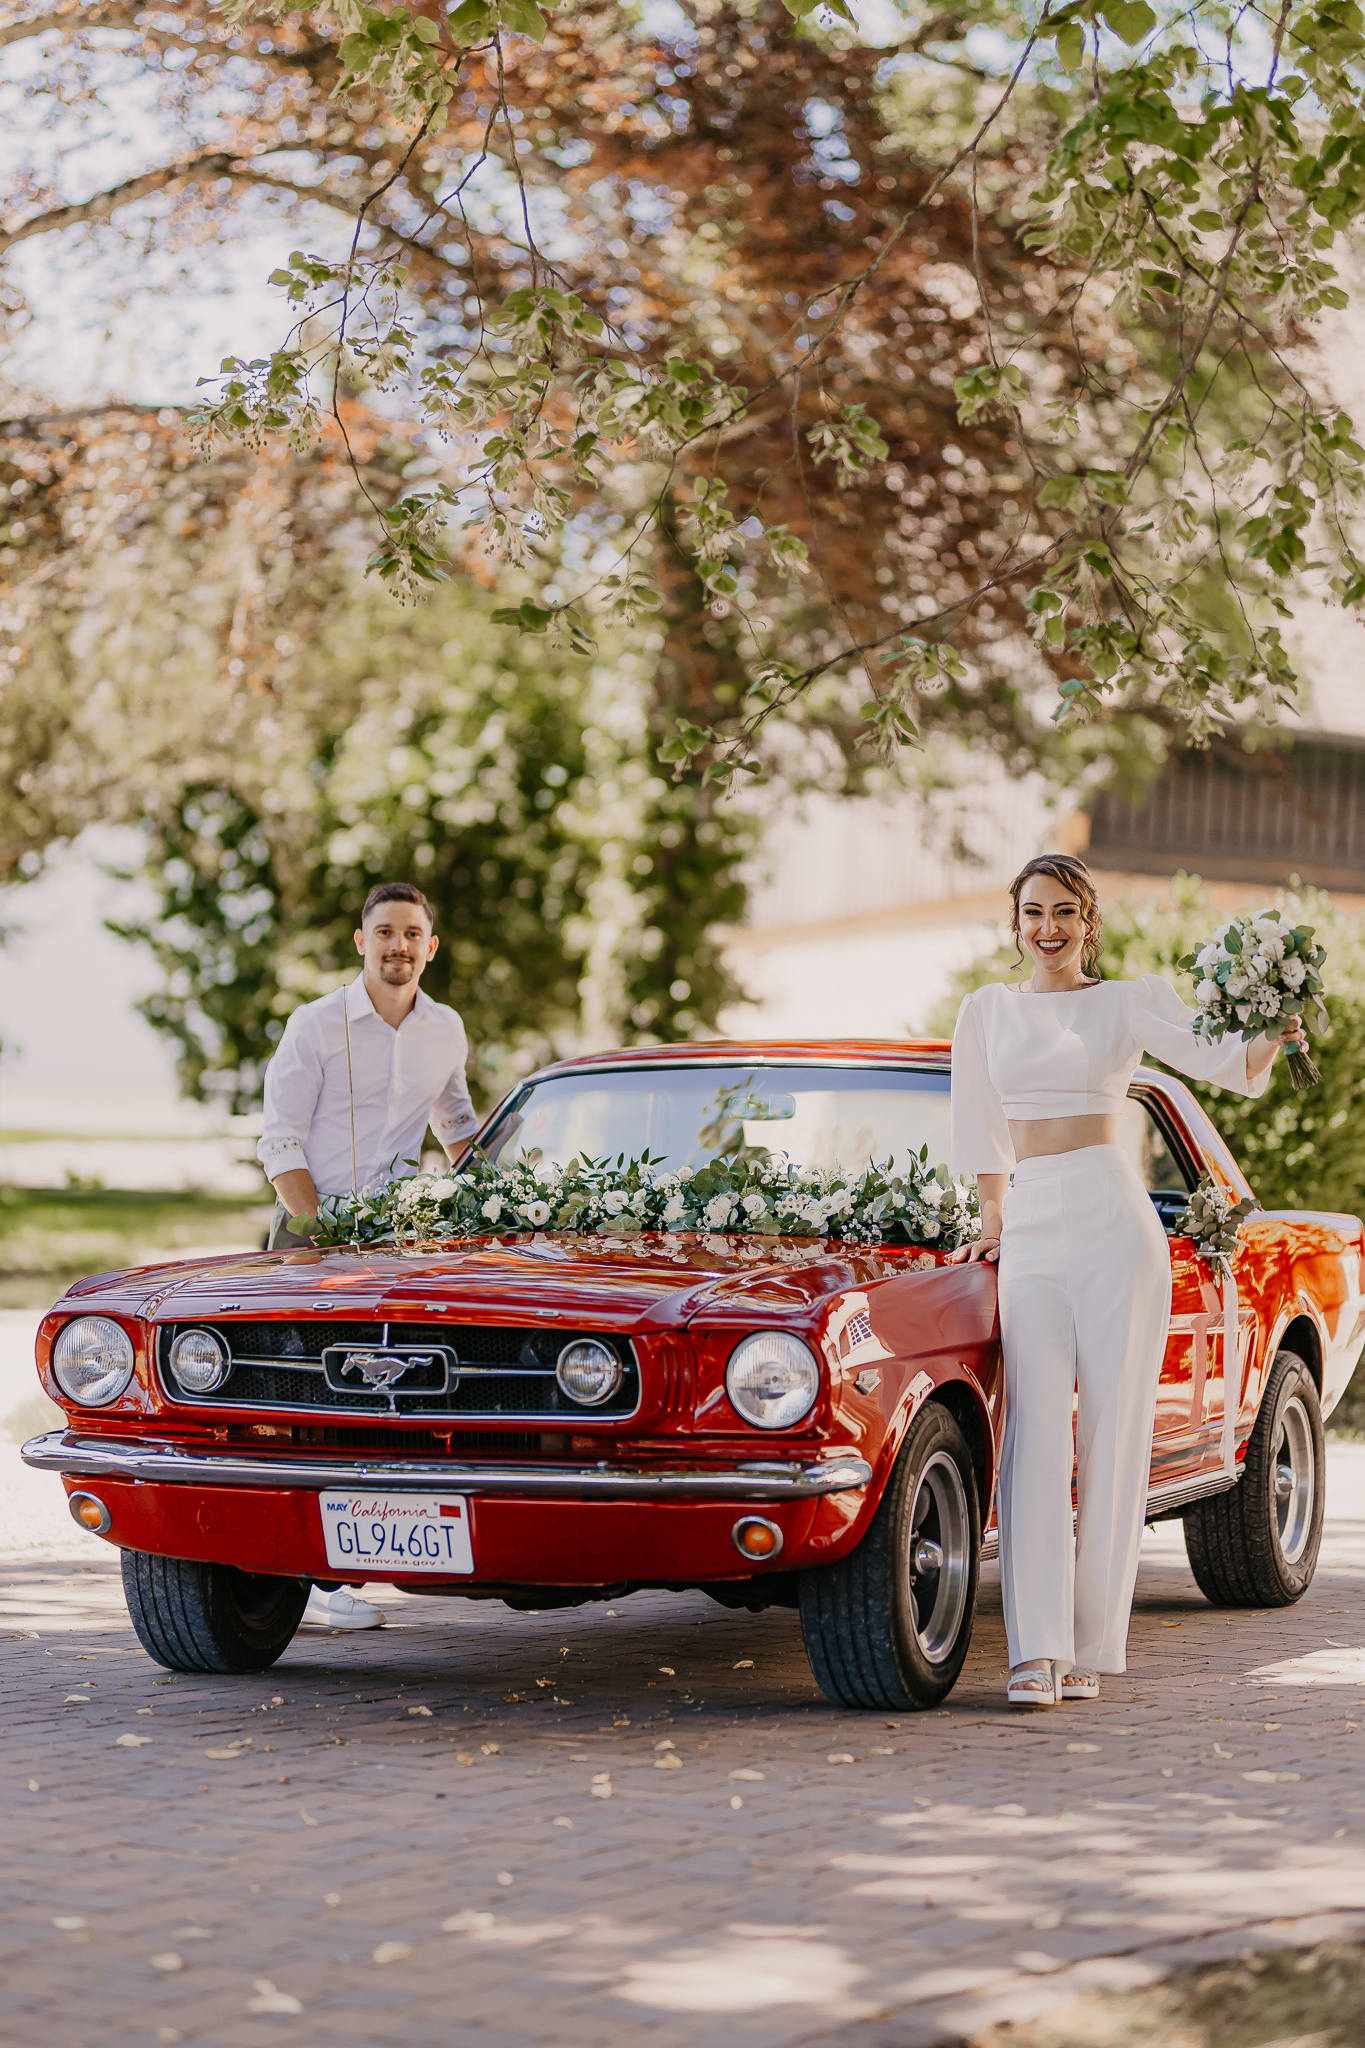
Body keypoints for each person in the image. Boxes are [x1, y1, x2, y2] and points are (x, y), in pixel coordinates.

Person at [947, 855, 1307, 1707]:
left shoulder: (1125, 1002)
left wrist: (1274, 1030)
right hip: (1031, 1221)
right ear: (1015, 922)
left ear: (1089, 921)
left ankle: (1085, 1648)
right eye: (1033, 912)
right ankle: (1033, 1651)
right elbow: (978, 1129)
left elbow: (1219, 1059)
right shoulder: (985, 1010)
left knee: (1115, 1435)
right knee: (1034, 1430)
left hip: (1114, 1218)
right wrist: (991, 1223)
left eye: (1064, 912)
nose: (1048, 928)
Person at [257, 881, 481, 1629]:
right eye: (384, 931)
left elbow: (458, 1128)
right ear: (361, 941)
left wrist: (505, 1204)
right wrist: (318, 1233)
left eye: (412, 933)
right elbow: (280, 1140)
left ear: (431, 947)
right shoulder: (315, 1024)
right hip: (309, 1233)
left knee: (387, 1401)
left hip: (398, 1241)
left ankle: (372, 1548)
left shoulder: (445, 1028)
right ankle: (311, 1576)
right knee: (306, 1404)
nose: (398, 945)